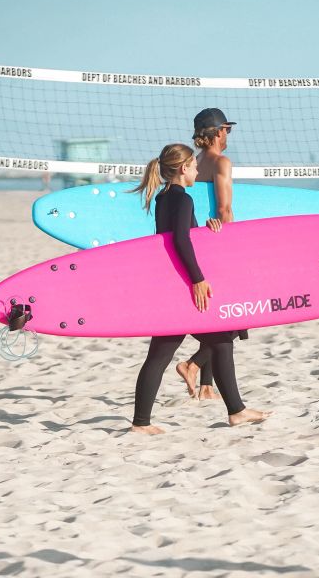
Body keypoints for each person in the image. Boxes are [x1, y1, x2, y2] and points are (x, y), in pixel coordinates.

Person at [128, 143, 269, 434]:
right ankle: (236, 411)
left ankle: (142, 422)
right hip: (183, 286)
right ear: (183, 169)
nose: (197, 170)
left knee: (171, 352)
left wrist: (206, 230)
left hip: (170, 283)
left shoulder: (164, 198)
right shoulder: (183, 200)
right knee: (217, 341)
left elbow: (176, 237)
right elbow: (180, 242)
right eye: (194, 166)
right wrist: (197, 279)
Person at [174, 108, 246, 400]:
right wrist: (232, 245)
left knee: (213, 312)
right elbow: (224, 209)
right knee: (232, 317)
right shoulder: (221, 162)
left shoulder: (196, 162)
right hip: (218, 238)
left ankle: (206, 386)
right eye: (227, 129)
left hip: (198, 239)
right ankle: (192, 364)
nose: (228, 134)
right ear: (218, 132)